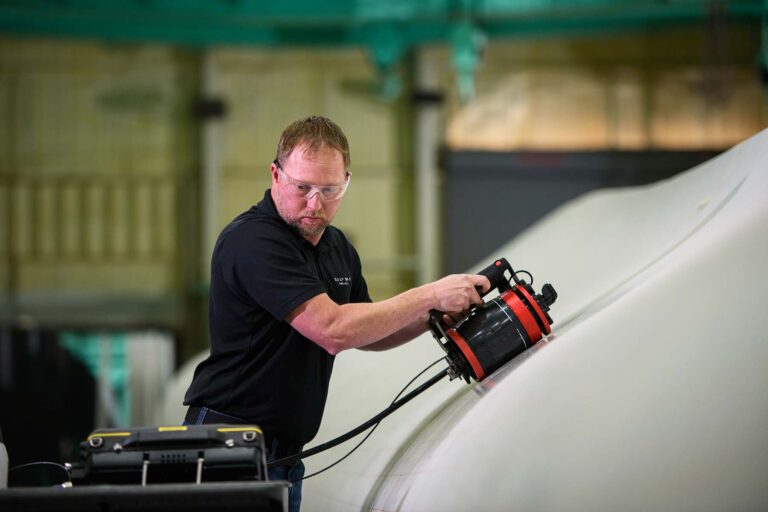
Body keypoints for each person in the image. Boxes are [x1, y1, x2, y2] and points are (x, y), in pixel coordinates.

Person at [183, 115, 489, 511]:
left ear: (346, 181)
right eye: (303, 187)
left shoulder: (336, 246)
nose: (315, 203)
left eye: (330, 189)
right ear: (276, 175)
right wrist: (430, 293)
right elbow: (333, 330)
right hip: (229, 448)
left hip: (283, 455)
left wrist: (432, 314)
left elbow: (369, 330)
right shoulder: (253, 240)